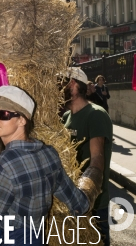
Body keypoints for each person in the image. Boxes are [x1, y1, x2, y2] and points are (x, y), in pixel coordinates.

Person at [0, 85, 94, 246]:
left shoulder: (8, 161)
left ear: (22, 119)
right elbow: (78, 204)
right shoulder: (48, 153)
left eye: (3, 114)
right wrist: (91, 185)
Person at [62, 67, 113, 246]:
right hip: (69, 203)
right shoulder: (66, 117)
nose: (57, 88)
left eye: (62, 83)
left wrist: (83, 198)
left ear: (73, 85)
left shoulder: (96, 114)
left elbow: (97, 161)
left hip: (93, 205)